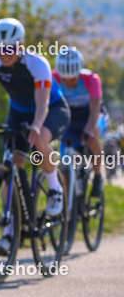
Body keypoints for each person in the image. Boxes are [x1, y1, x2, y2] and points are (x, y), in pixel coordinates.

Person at [0, 18, 70, 255]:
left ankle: (54, 190)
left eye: (10, 48)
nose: (5, 54)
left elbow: (42, 104)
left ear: (20, 45)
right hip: (18, 112)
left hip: (51, 110)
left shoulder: (37, 63)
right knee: (11, 166)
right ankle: (10, 231)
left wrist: (36, 126)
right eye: (0, 49)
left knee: (39, 137)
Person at [53, 47, 106, 197]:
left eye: (73, 79)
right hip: (69, 117)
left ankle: (97, 177)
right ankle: (68, 203)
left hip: (91, 114)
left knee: (93, 135)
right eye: (66, 79)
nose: (69, 82)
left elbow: (95, 107)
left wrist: (89, 129)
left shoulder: (91, 79)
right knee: (64, 165)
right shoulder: (54, 78)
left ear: (79, 73)